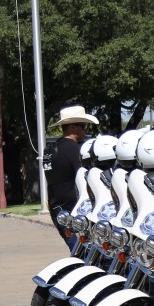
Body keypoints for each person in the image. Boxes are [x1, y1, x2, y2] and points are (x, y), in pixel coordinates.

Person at [45, 105, 98, 247]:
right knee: (84, 251)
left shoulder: (50, 149)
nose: (86, 130)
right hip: (73, 210)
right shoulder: (74, 149)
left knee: (77, 250)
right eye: (83, 126)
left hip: (57, 209)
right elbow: (86, 176)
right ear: (72, 128)